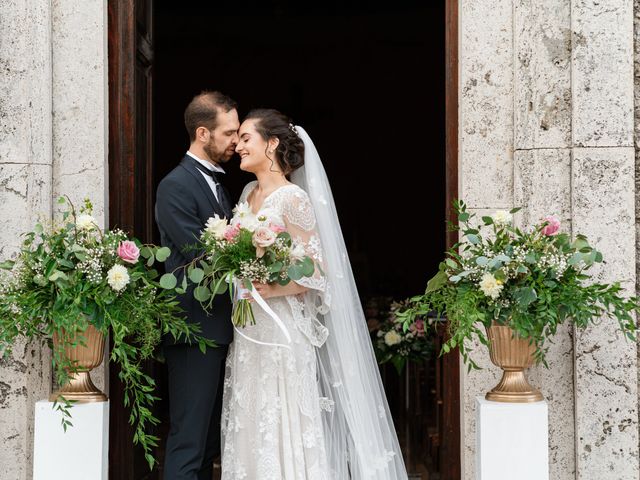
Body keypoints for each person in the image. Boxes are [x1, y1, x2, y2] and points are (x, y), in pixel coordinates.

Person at [221, 109, 408, 479]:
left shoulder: (293, 199)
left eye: (246, 138)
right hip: (249, 330)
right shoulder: (247, 194)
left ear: (271, 144)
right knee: (250, 415)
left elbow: (318, 273)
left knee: (283, 415)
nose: (237, 146)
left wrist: (270, 286)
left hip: (284, 331)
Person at [155, 90, 239, 480]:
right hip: (193, 330)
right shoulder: (176, 185)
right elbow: (197, 255)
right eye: (229, 133)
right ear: (203, 133)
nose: (235, 142)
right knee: (189, 441)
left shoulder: (217, 184)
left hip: (218, 327)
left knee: (208, 444)